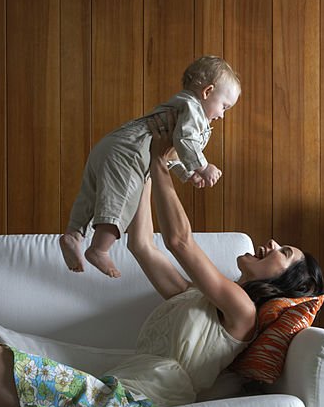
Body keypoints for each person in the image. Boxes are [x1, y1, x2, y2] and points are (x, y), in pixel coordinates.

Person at [0, 135, 324, 407]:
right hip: (109, 390)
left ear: (287, 283)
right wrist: (143, 170)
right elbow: (144, 244)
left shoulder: (240, 311)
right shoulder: (194, 300)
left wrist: (164, 165)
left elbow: (181, 242)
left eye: (283, 252)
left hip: (128, 404)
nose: (269, 245)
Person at [60, 55, 242, 278]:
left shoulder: (179, 107)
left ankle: (74, 234)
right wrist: (203, 167)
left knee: (90, 194)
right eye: (224, 106)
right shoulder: (194, 111)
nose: (222, 115)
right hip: (130, 154)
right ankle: (99, 248)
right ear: (207, 92)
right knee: (121, 197)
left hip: (112, 144)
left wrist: (188, 173)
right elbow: (186, 141)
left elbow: (169, 151)